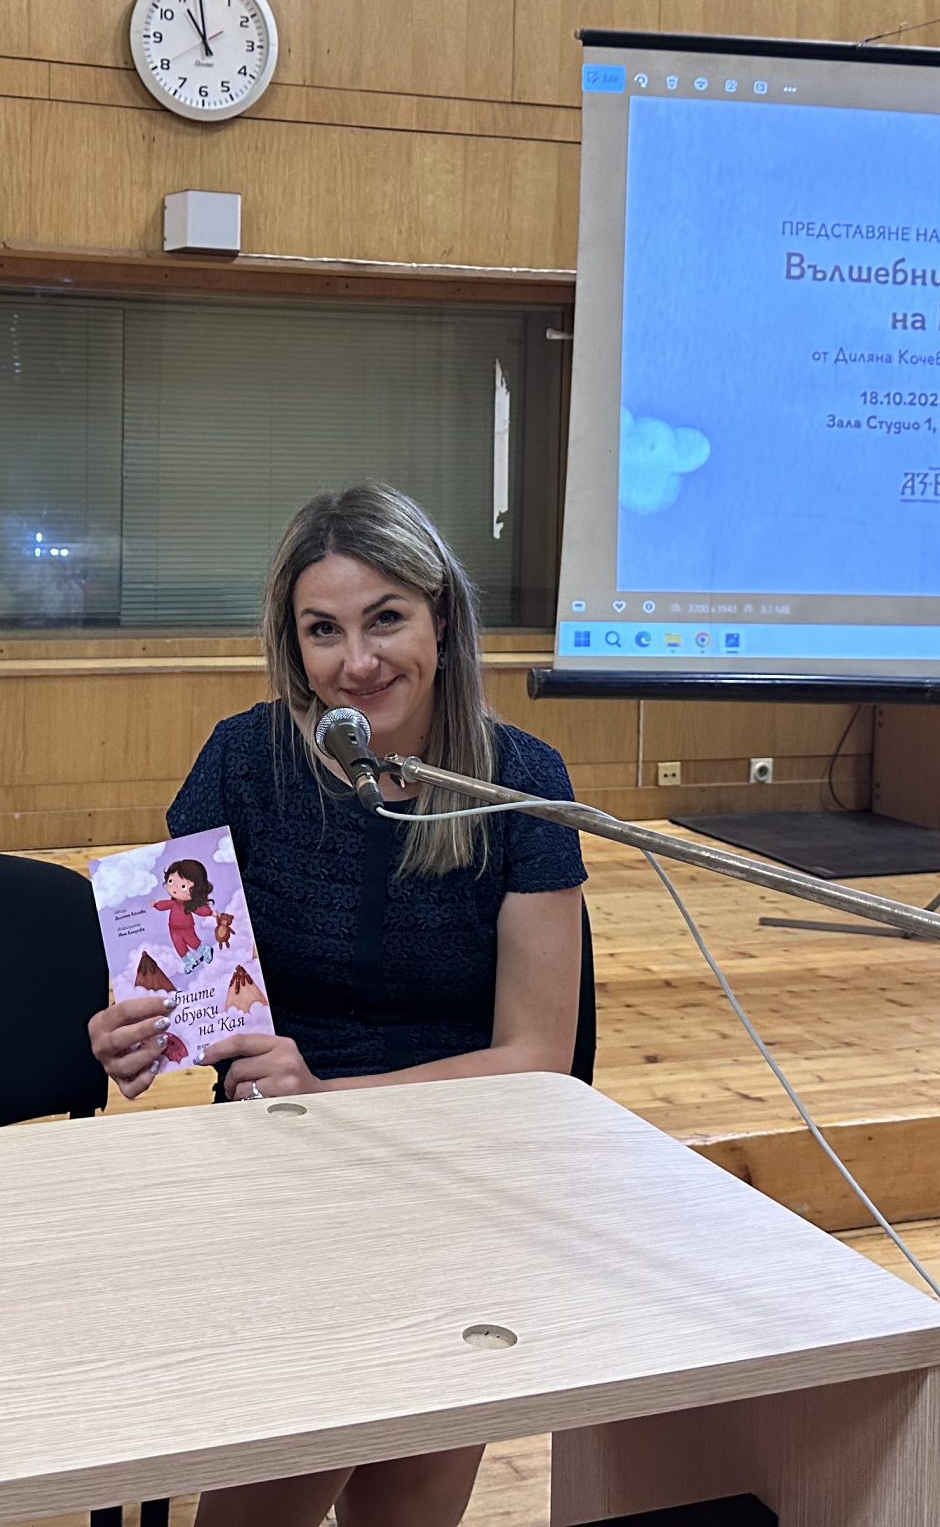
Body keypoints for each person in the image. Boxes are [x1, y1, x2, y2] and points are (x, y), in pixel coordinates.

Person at [86, 482, 588, 1527]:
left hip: (460, 1170)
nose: (357, 662)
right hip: (275, 1171)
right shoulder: (241, 761)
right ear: (294, 643)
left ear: (440, 618)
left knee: (403, 1499)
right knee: (267, 1492)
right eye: (324, 630)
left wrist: (333, 1094)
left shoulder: (522, 782)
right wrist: (131, 1028)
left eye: (385, 619)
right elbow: (176, 976)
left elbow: (538, 1054)